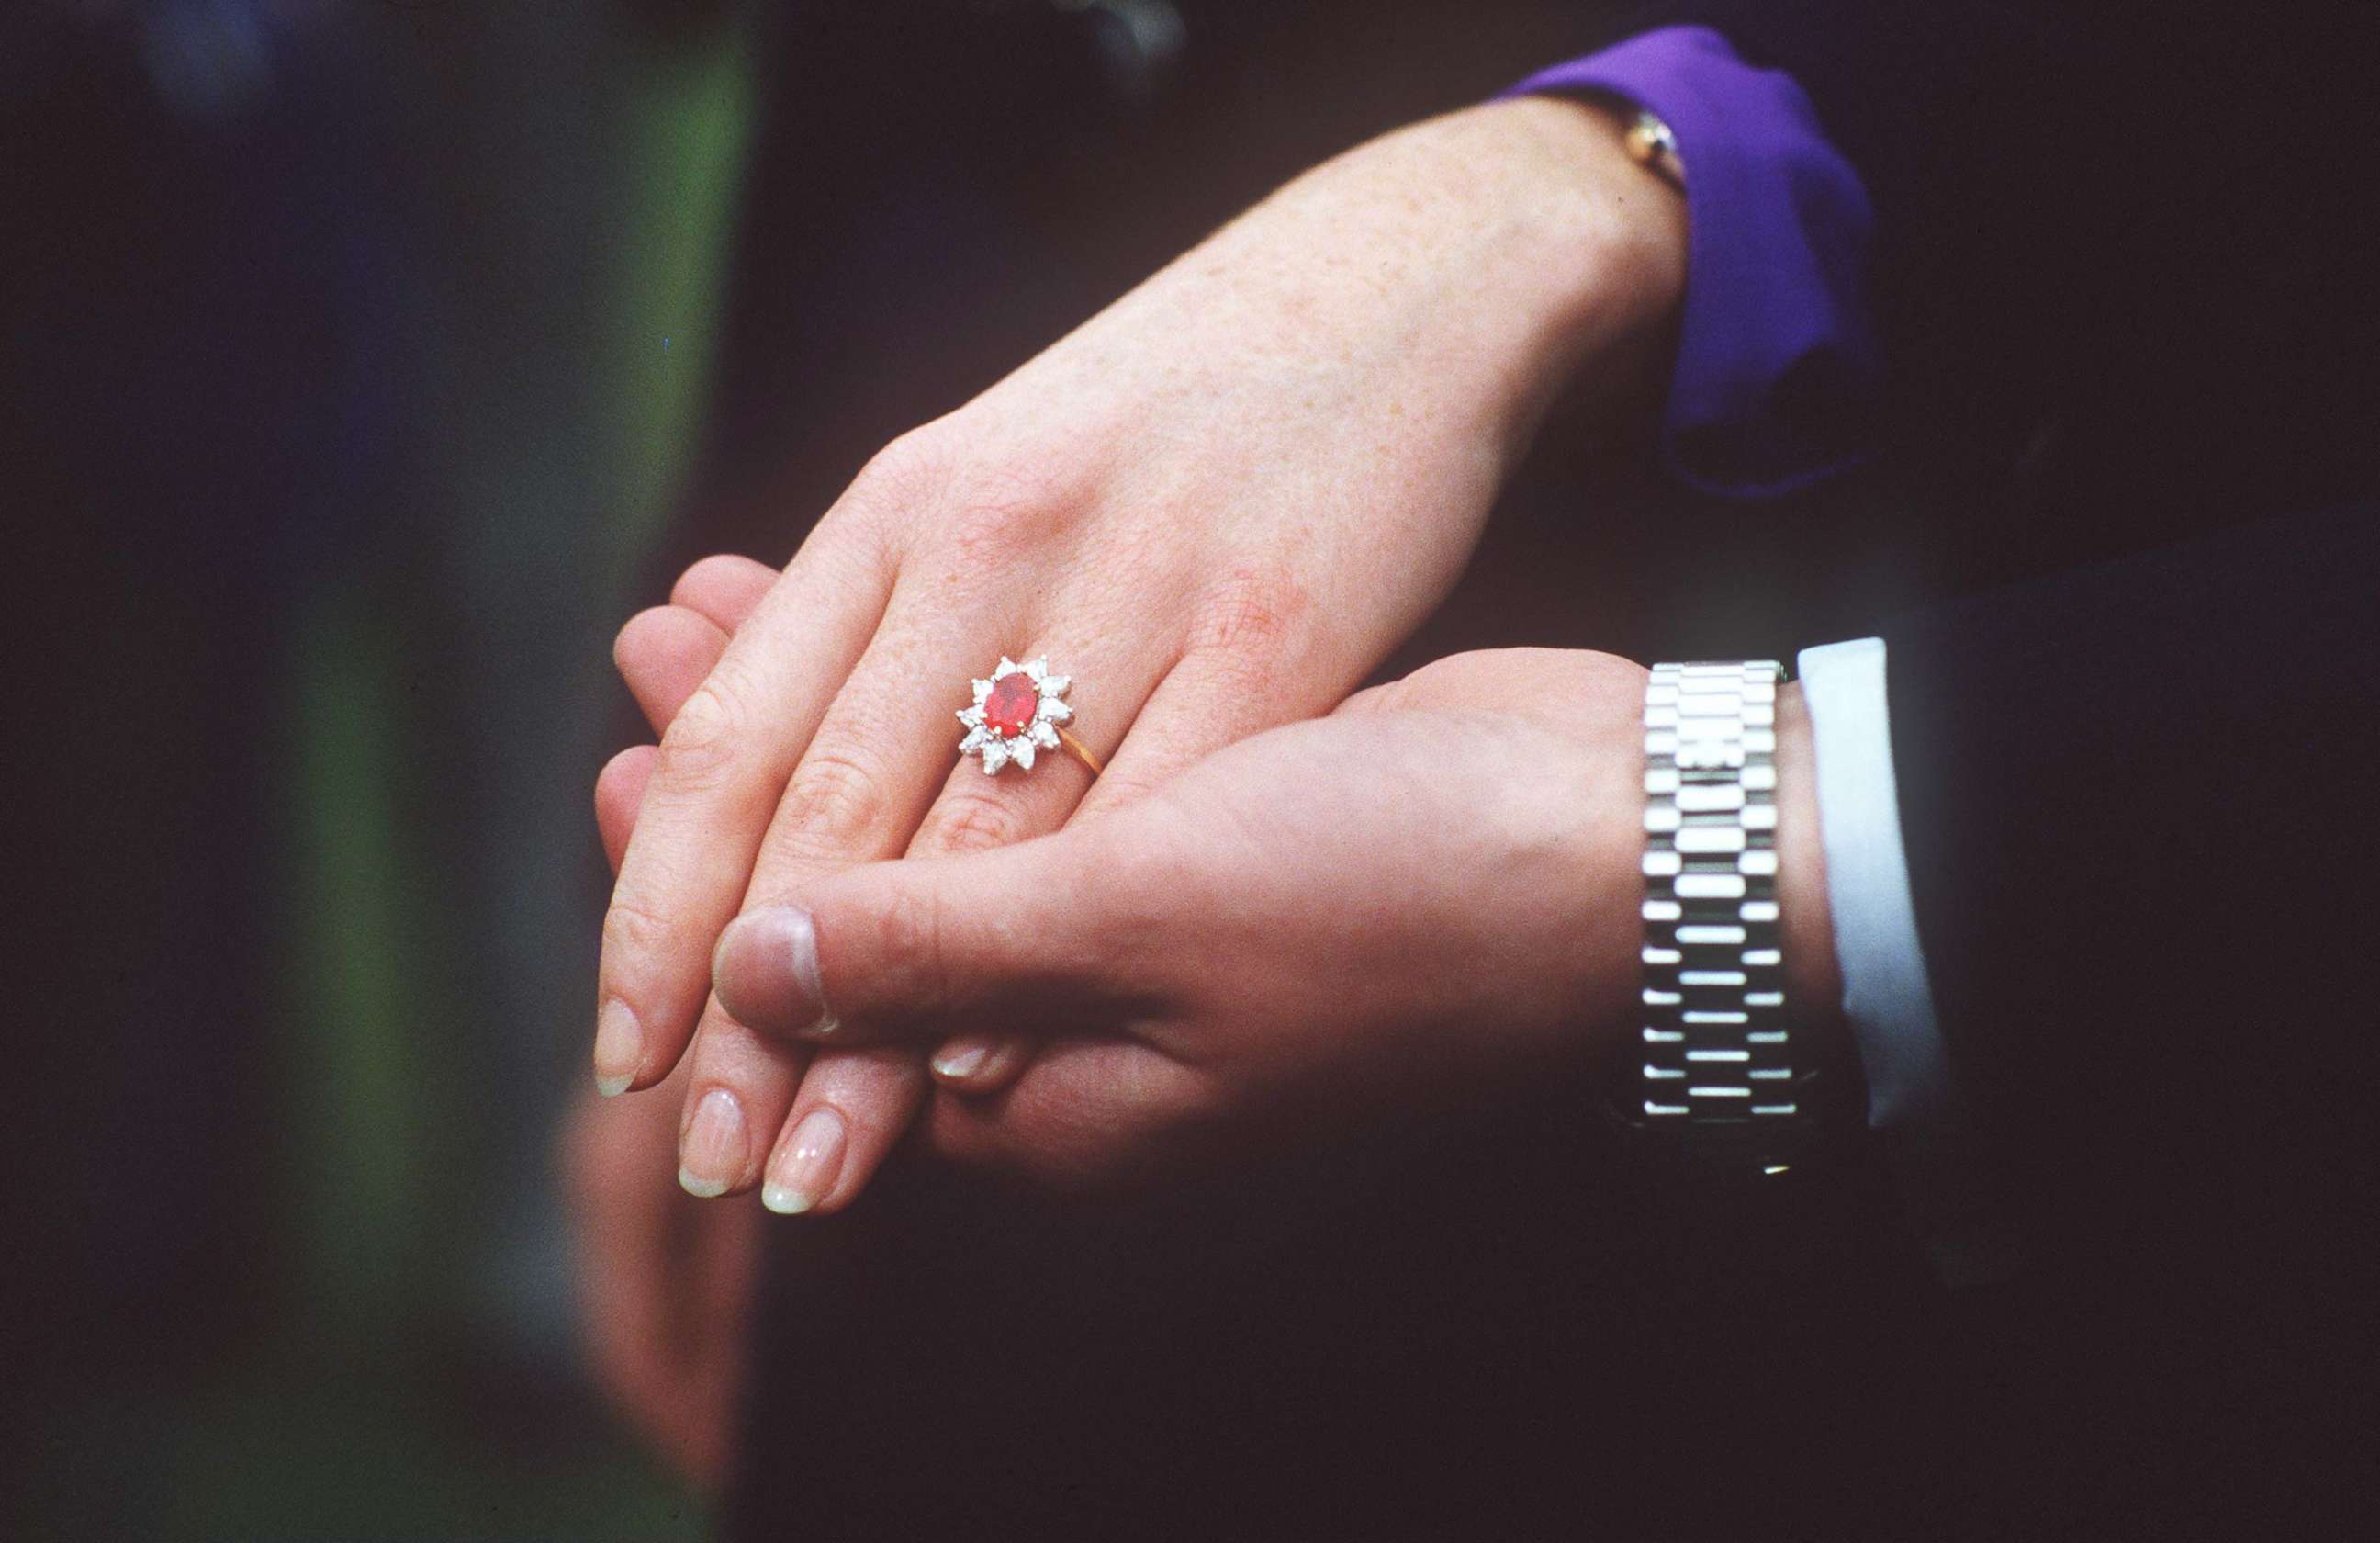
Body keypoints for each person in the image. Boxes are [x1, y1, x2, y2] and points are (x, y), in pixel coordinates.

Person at [580, 1, 2379, 1533]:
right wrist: (754, 800)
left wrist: (1729, 834)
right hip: (952, 1133)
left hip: (1796, 1240)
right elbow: (918, 107)